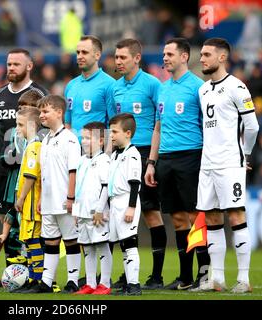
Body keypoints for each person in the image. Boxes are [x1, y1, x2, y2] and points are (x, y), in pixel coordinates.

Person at [145, 38, 210, 291]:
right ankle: (185, 278)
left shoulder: (198, 87)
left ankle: (204, 275)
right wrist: (152, 162)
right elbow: (158, 128)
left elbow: (207, 126)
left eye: (170, 54)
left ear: (184, 57)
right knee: (178, 219)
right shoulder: (162, 88)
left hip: (191, 157)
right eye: (163, 53)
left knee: (195, 217)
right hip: (166, 159)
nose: (165, 58)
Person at [196, 38, 259, 293]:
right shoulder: (203, 90)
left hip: (230, 162)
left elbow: (252, 126)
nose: (201, 59)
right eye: (201, 54)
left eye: (207, 54)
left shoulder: (237, 87)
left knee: (236, 215)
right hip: (207, 164)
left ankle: (243, 280)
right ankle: (217, 279)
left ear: (222, 57)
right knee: (211, 218)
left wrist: (245, 155)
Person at [110, 38, 167, 290]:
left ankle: (156, 275)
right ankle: (127, 273)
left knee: (151, 213)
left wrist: (152, 159)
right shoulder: (115, 88)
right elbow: (114, 124)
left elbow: (160, 123)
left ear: (137, 57)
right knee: (123, 214)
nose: (118, 61)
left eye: (123, 57)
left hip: (146, 153)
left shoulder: (153, 84)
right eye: (116, 57)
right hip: (121, 153)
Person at [0, 48, 47, 286]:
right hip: (5, 166)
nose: (11, 68)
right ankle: (12, 274)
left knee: (28, 222)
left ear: (29, 66)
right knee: (6, 217)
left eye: (16, 64)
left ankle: (34, 274)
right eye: (9, 63)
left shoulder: (40, 94)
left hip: (29, 168)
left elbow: (45, 129)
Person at [27, 95, 82, 294]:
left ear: (59, 112)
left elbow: (73, 170)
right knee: (50, 241)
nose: (41, 115)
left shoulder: (70, 139)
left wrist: (71, 198)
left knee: (71, 240)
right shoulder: (47, 139)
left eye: (45, 111)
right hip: (49, 201)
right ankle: (47, 282)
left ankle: (73, 281)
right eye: (40, 112)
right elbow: (45, 173)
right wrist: (42, 197)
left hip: (64, 200)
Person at [0, 107, 44, 292]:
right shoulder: (29, 145)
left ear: (32, 125)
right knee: (29, 242)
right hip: (27, 204)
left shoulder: (34, 146)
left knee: (33, 242)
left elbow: (30, 175)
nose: (16, 129)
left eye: (20, 124)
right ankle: (33, 278)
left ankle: (37, 280)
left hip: (31, 204)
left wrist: (21, 197)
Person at [72, 121, 112, 295]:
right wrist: (75, 211)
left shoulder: (104, 160)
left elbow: (105, 186)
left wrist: (99, 209)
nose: (84, 141)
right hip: (82, 213)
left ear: (101, 141)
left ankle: (104, 283)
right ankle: (90, 283)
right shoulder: (81, 161)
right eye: (83, 138)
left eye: (89, 138)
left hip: (97, 214)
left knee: (102, 247)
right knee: (87, 248)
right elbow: (78, 188)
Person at [108, 113, 142, 296]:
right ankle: (128, 283)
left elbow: (135, 182)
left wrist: (131, 207)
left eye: (115, 131)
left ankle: (134, 285)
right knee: (122, 246)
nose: (111, 135)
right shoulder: (115, 154)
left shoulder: (132, 154)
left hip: (126, 201)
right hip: (115, 202)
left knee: (130, 244)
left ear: (127, 133)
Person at [64, 35, 116, 140]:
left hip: (98, 151)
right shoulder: (71, 85)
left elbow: (114, 124)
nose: (79, 56)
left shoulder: (110, 84)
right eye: (78, 52)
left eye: (84, 52)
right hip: (74, 151)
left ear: (97, 55)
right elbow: (67, 123)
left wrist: (107, 153)